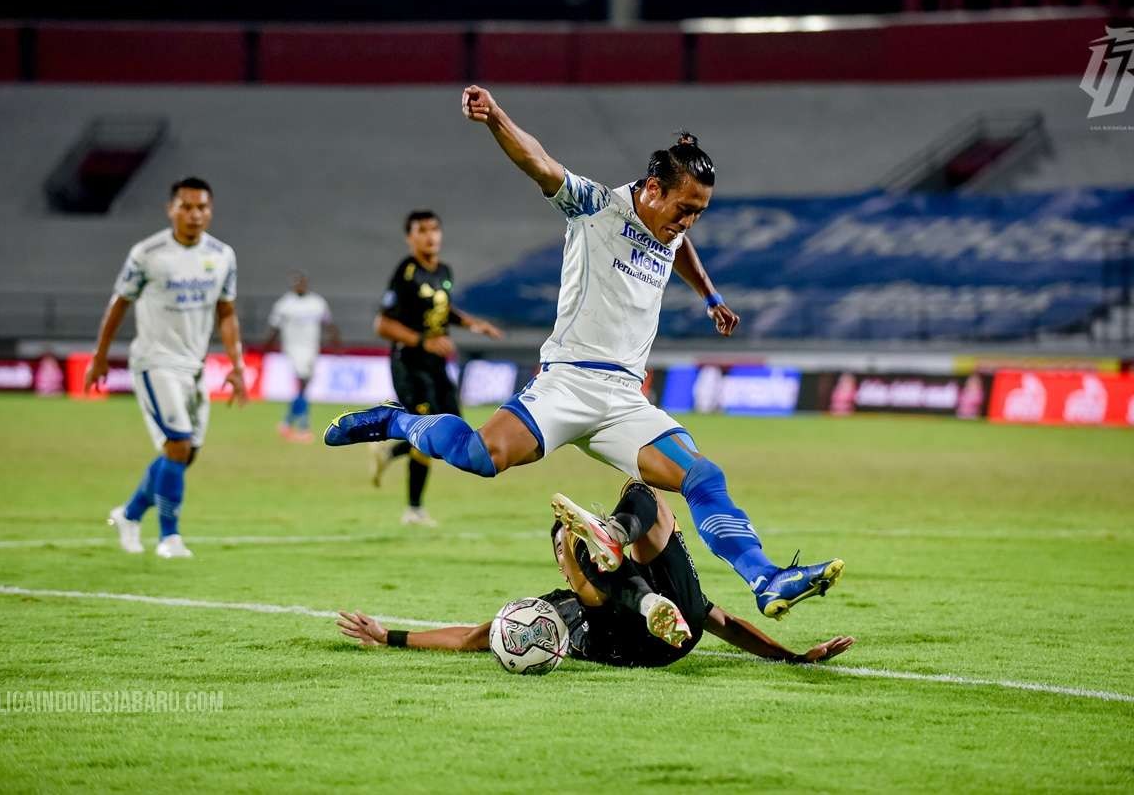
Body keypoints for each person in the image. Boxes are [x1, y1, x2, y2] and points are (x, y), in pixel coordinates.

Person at [326, 85, 842, 619]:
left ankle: (766, 577)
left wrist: (709, 295)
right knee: (480, 457)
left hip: (624, 400)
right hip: (568, 383)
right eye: (685, 208)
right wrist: (496, 117)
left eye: (699, 213)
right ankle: (394, 422)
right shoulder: (597, 206)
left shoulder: (669, 227)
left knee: (703, 476)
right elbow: (539, 162)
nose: (689, 222)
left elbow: (677, 246)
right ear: (652, 189)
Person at [337, 482, 855, 668]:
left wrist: (793, 657)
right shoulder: (554, 605)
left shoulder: (561, 598)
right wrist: (392, 637)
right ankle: (622, 559)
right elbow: (474, 636)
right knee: (600, 585)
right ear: (558, 559)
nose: (568, 553)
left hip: (677, 627)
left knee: (650, 496)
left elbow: (719, 619)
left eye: (571, 543)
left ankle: (614, 533)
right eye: (565, 545)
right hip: (642, 641)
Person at [86, 177, 247, 559]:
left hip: (194, 364)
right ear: (170, 209)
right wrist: (100, 354)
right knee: (177, 443)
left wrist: (236, 364)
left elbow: (226, 312)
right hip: (155, 361)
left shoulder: (223, 255)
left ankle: (129, 514)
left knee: (184, 453)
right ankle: (169, 537)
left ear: (210, 210)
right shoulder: (148, 253)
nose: (195, 214)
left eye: (202, 207)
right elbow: (120, 303)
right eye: (186, 207)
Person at [368, 210, 503, 526]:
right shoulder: (406, 272)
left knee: (454, 426)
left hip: (436, 364)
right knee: (428, 428)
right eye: (422, 230)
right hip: (410, 364)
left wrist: (472, 323)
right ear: (410, 237)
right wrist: (422, 341)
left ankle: (390, 452)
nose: (430, 236)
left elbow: (441, 308)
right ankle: (414, 509)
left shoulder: (443, 270)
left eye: (434, 229)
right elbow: (383, 324)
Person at [264, 271, 339, 442]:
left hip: (312, 349)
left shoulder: (317, 303)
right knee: (302, 384)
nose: (299, 286)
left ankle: (287, 422)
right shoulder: (284, 304)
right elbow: (274, 328)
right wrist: (266, 347)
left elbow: (329, 324)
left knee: (303, 388)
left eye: (302, 283)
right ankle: (303, 427)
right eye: (296, 283)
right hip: (293, 350)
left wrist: (336, 343)